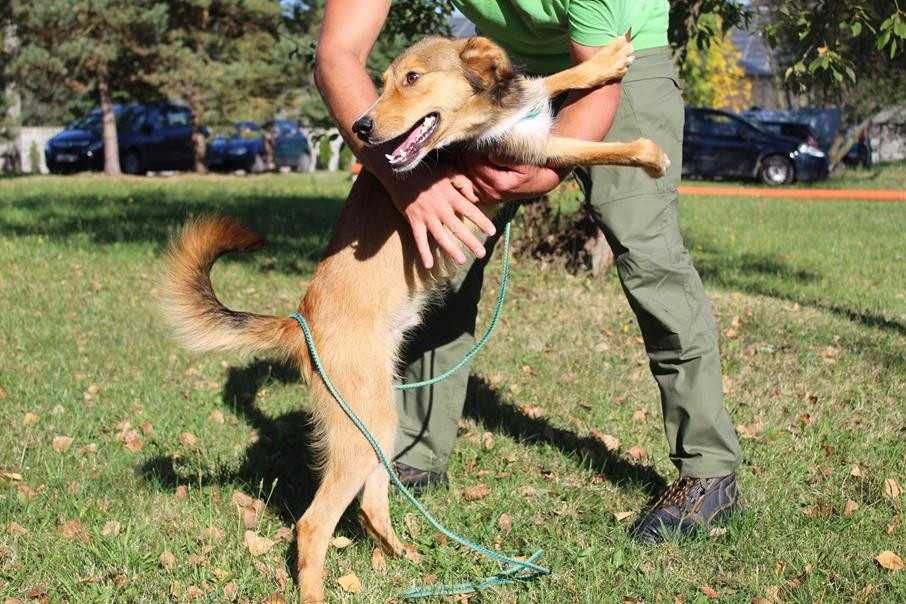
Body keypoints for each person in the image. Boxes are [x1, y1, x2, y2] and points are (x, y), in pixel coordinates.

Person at [315, 0, 742, 543]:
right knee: (434, 249)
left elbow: (599, 81)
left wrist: (538, 173)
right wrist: (406, 186)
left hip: (615, 62)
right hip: (496, 76)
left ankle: (708, 472)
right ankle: (415, 454)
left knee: (650, 258)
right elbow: (337, 52)